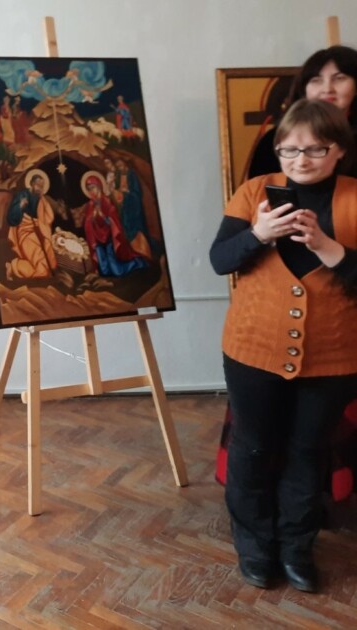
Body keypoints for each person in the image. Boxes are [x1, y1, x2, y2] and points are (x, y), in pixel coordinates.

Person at [210, 99, 357, 593]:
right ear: (277, 150)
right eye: (289, 149)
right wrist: (258, 233)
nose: (301, 159)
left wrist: (327, 247)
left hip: (335, 355)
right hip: (253, 348)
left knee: (307, 451)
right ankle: (255, 547)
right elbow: (220, 260)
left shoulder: (355, 197)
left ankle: (296, 548)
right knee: (253, 446)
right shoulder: (253, 192)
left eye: (316, 148)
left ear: (339, 150)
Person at [248, 45, 357, 179]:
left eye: (339, 78)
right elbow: (261, 186)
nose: (327, 89)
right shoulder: (275, 138)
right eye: (316, 80)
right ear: (304, 89)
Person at [81, 174, 147, 277]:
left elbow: (113, 219)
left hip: (108, 238)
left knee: (117, 272)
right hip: (97, 240)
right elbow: (87, 224)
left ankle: (137, 263)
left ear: (99, 186)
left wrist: (103, 217)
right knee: (104, 272)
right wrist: (91, 218)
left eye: (93, 187)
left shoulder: (106, 201)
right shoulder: (90, 205)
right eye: (89, 189)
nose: (91, 191)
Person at [5, 171, 57, 279]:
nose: (39, 188)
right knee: (43, 268)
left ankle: (15, 266)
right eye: (38, 185)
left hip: (39, 231)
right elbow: (11, 218)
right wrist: (20, 206)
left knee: (52, 264)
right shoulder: (23, 195)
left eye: (42, 186)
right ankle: (15, 266)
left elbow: (49, 217)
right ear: (32, 184)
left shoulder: (41, 198)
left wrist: (43, 200)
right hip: (25, 232)